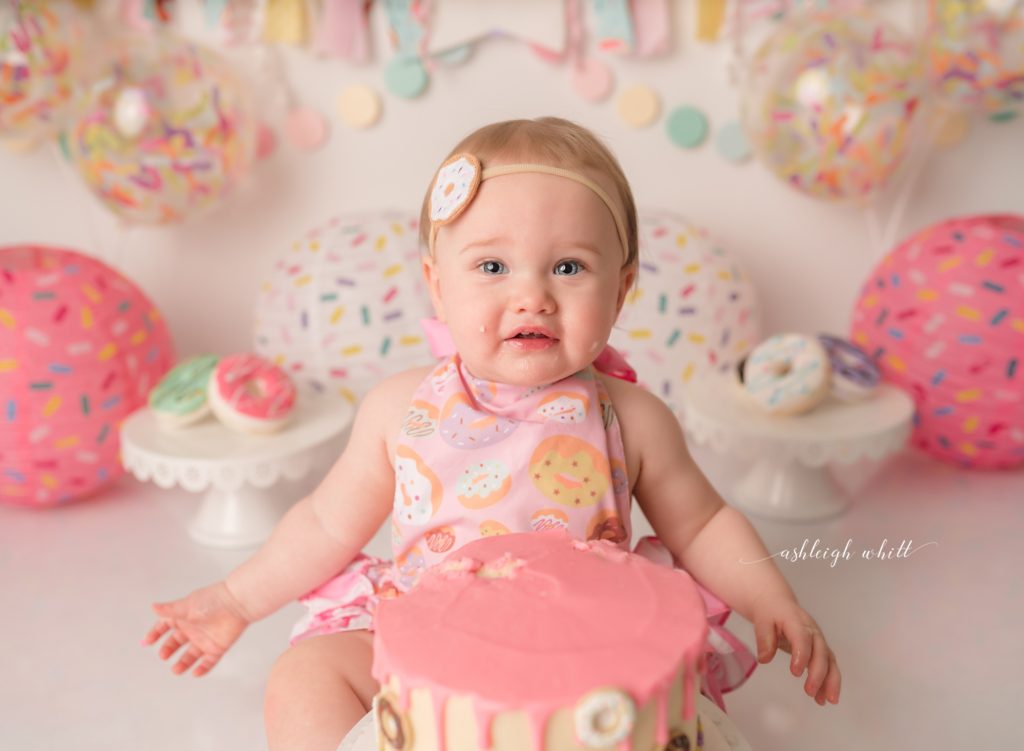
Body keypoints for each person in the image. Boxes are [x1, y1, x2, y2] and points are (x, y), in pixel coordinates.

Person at [142, 117, 842, 751]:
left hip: (583, 651)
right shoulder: (400, 408)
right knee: (303, 678)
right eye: (492, 266)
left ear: (622, 289)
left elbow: (705, 523)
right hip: (423, 638)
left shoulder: (629, 416)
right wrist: (236, 598)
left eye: (569, 267)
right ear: (438, 285)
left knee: (673, 689)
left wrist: (769, 597)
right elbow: (326, 522)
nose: (531, 294)